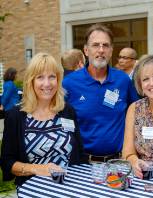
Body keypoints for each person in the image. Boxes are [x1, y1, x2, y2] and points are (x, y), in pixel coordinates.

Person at [0, 52, 88, 187]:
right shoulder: (15, 116)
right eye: (40, 77)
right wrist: (37, 168)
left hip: (69, 187)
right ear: (31, 81)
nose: (47, 84)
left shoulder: (67, 111)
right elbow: (7, 162)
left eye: (52, 77)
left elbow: (80, 153)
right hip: (33, 190)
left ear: (58, 80)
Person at [62, 24, 139, 162]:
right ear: (86, 50)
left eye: (106, 45)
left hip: (118, 162)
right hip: (82, 164)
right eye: (96, 45)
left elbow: (137, 113)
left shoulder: (123, 80)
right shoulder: (69, 83)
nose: (101, 50)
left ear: (111, 50)